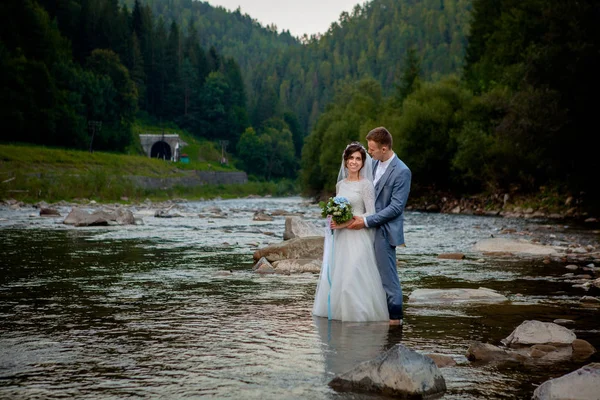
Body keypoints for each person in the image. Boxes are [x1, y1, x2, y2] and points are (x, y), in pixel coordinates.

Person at [312, 142, 389, 322]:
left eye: (358, 159)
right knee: (340, 276)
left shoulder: (366, 185)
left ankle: (358, 317)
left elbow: (371, 213)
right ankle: (340, 315)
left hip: (358, 235)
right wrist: (333, 218)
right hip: (341, 237)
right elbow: (337, 208)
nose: (354, 162)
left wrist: (346, 221)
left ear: (363, 163)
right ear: (345, 161)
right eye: (351, 158)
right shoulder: (340, 185)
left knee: (353, 277)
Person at [347, 127, 411, 326]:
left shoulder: (402, 171)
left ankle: (395, 319)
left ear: (384, 148)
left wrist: (366, 221)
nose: (369, 152)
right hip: (364, 230)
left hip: (384, 230)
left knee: (388, 278)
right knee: (365, 274)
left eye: (372, 149)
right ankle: (373, 314)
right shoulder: (373, 164)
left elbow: (396, 208)